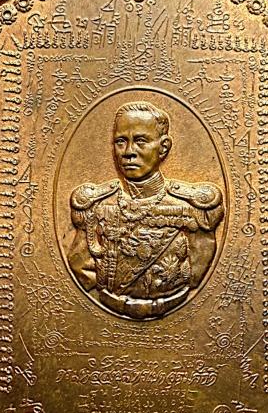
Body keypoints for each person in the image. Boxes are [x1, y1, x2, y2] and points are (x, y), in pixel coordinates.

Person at [67, 101, 224, 319]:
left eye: (141, 141)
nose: (128, 152)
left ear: (164, 147)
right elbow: (82, 268)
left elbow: (197, 272)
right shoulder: (97, 205)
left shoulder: (193, 207)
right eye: (121, 141)